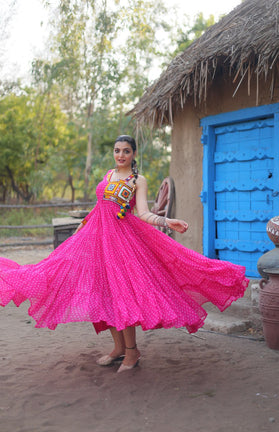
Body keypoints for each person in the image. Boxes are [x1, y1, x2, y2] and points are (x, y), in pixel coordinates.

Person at [0, 135, 249, 373]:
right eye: (117, 150)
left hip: (122, 244)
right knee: (102, 293)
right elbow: (99, 207)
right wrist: (81, 229)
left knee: (123, 296)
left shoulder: (137, 180)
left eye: (126, 151)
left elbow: (142, 213)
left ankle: (132, 352)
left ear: (134, 154)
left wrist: (166, 221)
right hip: (97, 241)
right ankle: (119, 347)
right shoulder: (108, 174)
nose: (121, 155)